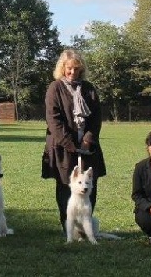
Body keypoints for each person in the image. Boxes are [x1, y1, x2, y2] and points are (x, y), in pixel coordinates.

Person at [41, 49, 106, 232]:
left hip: (87, 147)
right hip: (63, 147)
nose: (72, 73)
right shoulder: (55, 88)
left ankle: (86, 225)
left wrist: (87, 140)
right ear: (63, 68)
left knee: (88, 184)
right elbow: (53, 119)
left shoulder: (88, 88)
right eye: (69, 68)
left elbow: (96, 118)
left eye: (76, 69)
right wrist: (70, 144)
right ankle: (68, 226)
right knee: (64, 187)